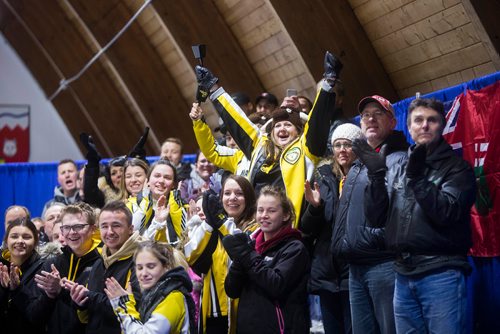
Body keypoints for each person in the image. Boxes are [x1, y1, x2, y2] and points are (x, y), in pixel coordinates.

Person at [355, 98, 476, 333]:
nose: (425, 126)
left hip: (441, 273)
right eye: (418, 120)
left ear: (442, 126)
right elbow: (376, 218)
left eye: (432, 120)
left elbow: (447, 213)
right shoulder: (398, 166)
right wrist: (377, 177)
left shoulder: (457, 168)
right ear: (408, 127)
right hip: (402, 274)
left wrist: (418, 179)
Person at [194, 51, 342, 227]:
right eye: (277, 125)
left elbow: (317, 122)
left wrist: (327, 84)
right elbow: (237, 120)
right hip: (252, 228)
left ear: (299, 131)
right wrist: (213, 88)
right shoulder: (260, 147)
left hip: (286, 230)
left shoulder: (306, 149)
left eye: (288, 125)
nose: (281, 128)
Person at [331, 95, 408, 334]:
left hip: (383, 263)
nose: (371, 119)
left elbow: (399, 213)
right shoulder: (356, 164)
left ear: (393, 121)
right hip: (356, 265)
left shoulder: (399, 159)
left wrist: (375, 240)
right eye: (365, 115)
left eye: (378, 113)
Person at [223, 185, 311, 333]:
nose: (264, 215)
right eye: (260, 210)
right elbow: (232, 290)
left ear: (285, 215)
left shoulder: (295, 248)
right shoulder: (252, 244)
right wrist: (239, 260)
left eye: (271, 211)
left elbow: (275, 285)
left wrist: (246, 255)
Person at [301, 123, 362, 334]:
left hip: (354, 269)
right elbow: (308, 229)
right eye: (337, 145)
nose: (342, 150)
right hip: (327, 270)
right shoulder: (323, 177)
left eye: (348, 144)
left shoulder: (365, 174)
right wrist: (315, 208)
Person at [183, 174, 257, 333]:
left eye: (239, 193)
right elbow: (190, 256)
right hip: (212, 312)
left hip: (243, 309)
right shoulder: (212, 226)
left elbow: (242, 251)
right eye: (227, 193)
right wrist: (210, 224)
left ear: (249, 198)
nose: (232, 198)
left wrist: (222, 222)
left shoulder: (256, 228)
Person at [67, 200, 142, 334]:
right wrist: (80, 302)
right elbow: (88, 318)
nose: (110, 232)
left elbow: (138, 311)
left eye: (116, 225)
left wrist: (90, 296)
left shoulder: (141, 261)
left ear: (131, 229)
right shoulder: (99, 262)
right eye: (104, 226)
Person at [33, 202, 102, 334]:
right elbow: (36, 317)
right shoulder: (52, 265)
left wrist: (61, 291)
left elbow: (101, 312)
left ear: (93, 229)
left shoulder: (103, 262)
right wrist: (50, 295)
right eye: (66, 228)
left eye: (78, 226)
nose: (72, 232)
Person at [105, 241, 196, 333]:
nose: (144, 274)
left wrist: (124, 306)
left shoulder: (173, 298)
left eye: (151, 266)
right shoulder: (152, 294)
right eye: (139, 268)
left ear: (166, 266)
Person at [0, 218, 45, 334]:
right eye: (14, 236)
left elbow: (38, 315)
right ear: (6, 240)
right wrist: (4, 290)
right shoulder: (1, 266)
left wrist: (17, 289)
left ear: (35, 241)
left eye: (26, 237)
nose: (20, 241)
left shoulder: (44, 269)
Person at [126, 159, 187, 244]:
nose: (161, 181)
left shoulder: (183, 207)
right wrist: (146, 201)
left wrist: (176, 205)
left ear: (173, 184)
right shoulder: (132, 205)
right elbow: (131, 235)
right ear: (148, 181)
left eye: (167, 177)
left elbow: (186, 238)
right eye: (157, 176)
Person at [190, 103, 250, 177]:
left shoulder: (264, 154)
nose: (231, 143)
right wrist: (199, 121)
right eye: (228, 138)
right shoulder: (237, 157)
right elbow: (211, 150)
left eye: (235, 137)